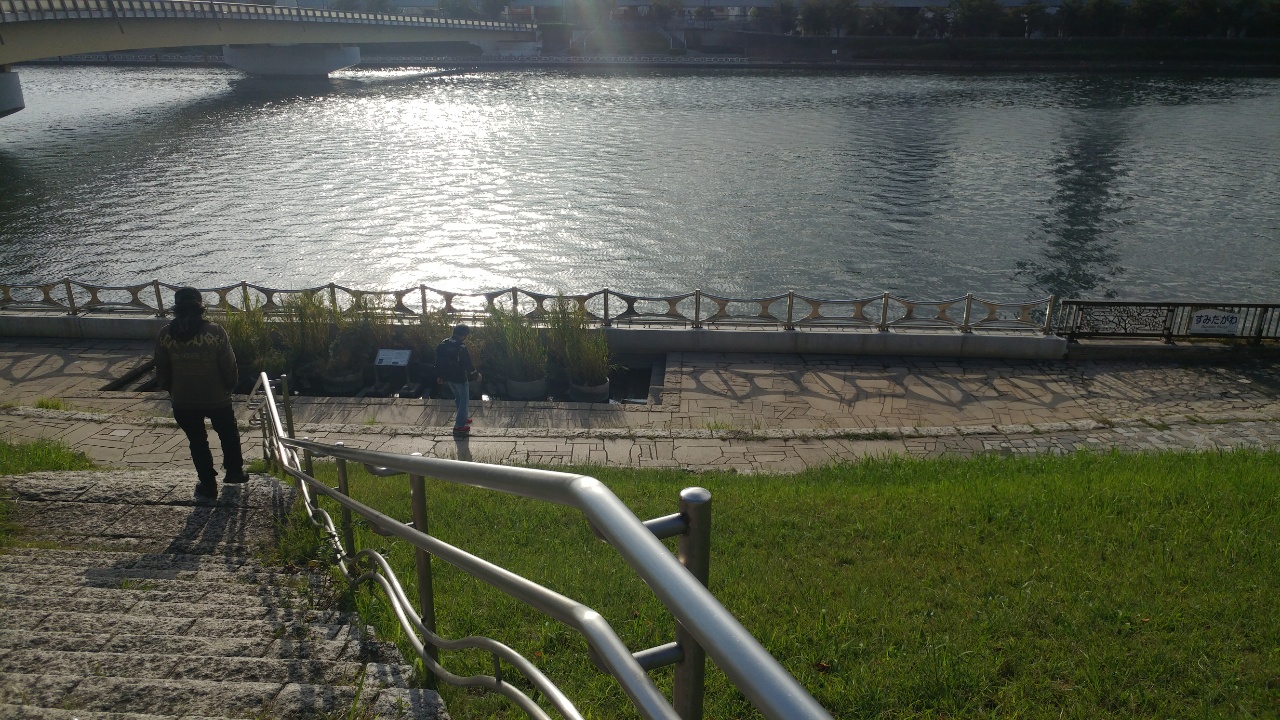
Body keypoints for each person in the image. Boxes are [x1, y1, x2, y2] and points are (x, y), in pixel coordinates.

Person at [155, 287, 247, 501]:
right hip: (217, 397)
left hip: (183, 400)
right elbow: (229, 365)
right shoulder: (215, 332)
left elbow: (162, 368)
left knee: (197, 441)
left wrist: (171, 389)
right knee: (228, 434)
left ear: (176, 307)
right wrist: (230, 386)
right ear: (200, 306)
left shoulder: (165, 335)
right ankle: (234, 472)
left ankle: (207, 484)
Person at [435, 324, 480, 436]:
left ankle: (463, 417)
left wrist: (440, 376)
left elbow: (438, 362)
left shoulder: (444, 344)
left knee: (458, 398)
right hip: (460, 377)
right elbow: (467, 364)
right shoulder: (461, 347)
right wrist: (476, 374)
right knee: (464, 400)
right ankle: (459, 425)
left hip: (449, 377)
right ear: (464, 335)